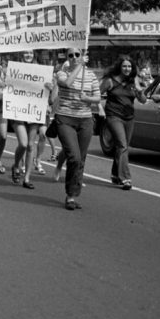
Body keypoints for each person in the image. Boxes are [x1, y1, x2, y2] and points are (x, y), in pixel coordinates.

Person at [55, 47, 101, 210]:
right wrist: (79, 66)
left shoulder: (91, 75)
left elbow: (97, 97)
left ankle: (72, 196)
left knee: (81, 159)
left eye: (77, 55)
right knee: (73, 156)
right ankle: (70, 191)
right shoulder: (62, 71)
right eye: (71, 55)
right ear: (67, 57)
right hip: (65, 118)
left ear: (82, 55)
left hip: (85, 120)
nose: (74, 57)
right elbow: (66, 83)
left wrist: (87, 98)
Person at [9, 50, 57, 190]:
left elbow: (51, 98)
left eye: (30, 53)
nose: (28, 55)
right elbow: (8, 88)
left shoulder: (42, 71)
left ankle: (27, 178)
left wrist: (50, 88)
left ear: (34, 55)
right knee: (23, 144)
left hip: (34, 112)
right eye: (25, 53)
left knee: (30, 145)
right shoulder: (15, 69)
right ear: (21, 55)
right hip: (18, 112)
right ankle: (16, 165)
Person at [100, 55, 148, 190]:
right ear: (119, 67)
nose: (127, 69)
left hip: (129, 117)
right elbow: (96, 94)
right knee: (122, 145)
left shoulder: (134, 81)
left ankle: (115, 174)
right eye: (124, 66)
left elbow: (143, 100)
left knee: (122, 147)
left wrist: (139, 91)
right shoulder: (110, 81)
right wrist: (99, 108)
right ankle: (125, 178)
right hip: (113, 116)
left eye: (129, 66)